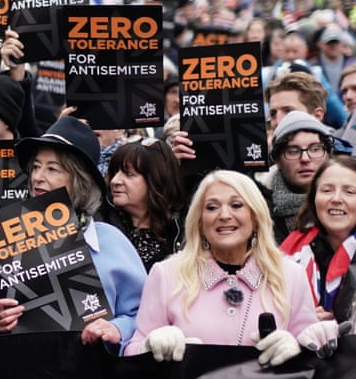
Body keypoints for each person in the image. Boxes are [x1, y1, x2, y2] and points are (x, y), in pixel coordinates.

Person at [0, 116, 146, 350]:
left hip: (91, 368)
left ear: (80, 181)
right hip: (14, 365)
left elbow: (144, 316)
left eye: (52, 169)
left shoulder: (111, 241)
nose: (37, 177)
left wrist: (117, 329)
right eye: (35, 167)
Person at [125, 169, 337, 363]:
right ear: (200, 221)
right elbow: (132, 352)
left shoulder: (290, 274)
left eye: (236, 205)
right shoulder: (166, 274)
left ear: (255, 216)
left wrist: (298, 347)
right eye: (212, 207)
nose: (224, 215)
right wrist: (150, 346)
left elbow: (311, 351)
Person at [281, 157, 356, 321]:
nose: (336, 199)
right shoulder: (288, 254)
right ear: (313, 198)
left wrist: (342, 322)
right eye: (327, 190)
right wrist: (301, 320)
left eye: (349, 192)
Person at [104, 137, 185, 270]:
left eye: (129, 174)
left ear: (155, 179)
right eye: (114, 172)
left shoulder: (183, 227)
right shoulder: (101, 222)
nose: (115, 181)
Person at [259, 110, 333, 243]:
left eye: (315, 149)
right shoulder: (259, 210)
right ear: (277, 160)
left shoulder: (348, 202)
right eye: (293, 151)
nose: (305, 158)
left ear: (328, 155)